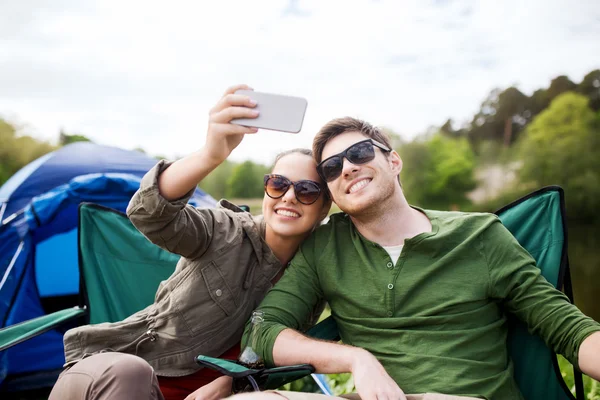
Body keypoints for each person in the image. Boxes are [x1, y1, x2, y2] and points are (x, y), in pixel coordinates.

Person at [229, 117, 600, 400]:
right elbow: (261, 330)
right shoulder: (326, 246)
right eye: (331, 168)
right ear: (331, 192)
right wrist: (356, 359)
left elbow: (568, 329)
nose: (346, 168)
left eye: (358, 153)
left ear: (394, 162)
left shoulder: (480, 235)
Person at [48, 84, 331, 400]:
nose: (289, 197)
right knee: (132, 374)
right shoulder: (225, 230)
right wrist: (212, 153)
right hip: (113, 377)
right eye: (278, 185)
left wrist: (229, 383)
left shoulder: (312, 274)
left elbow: (263, 355)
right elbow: (149, 214)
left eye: (307, 190)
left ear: (324, 207)